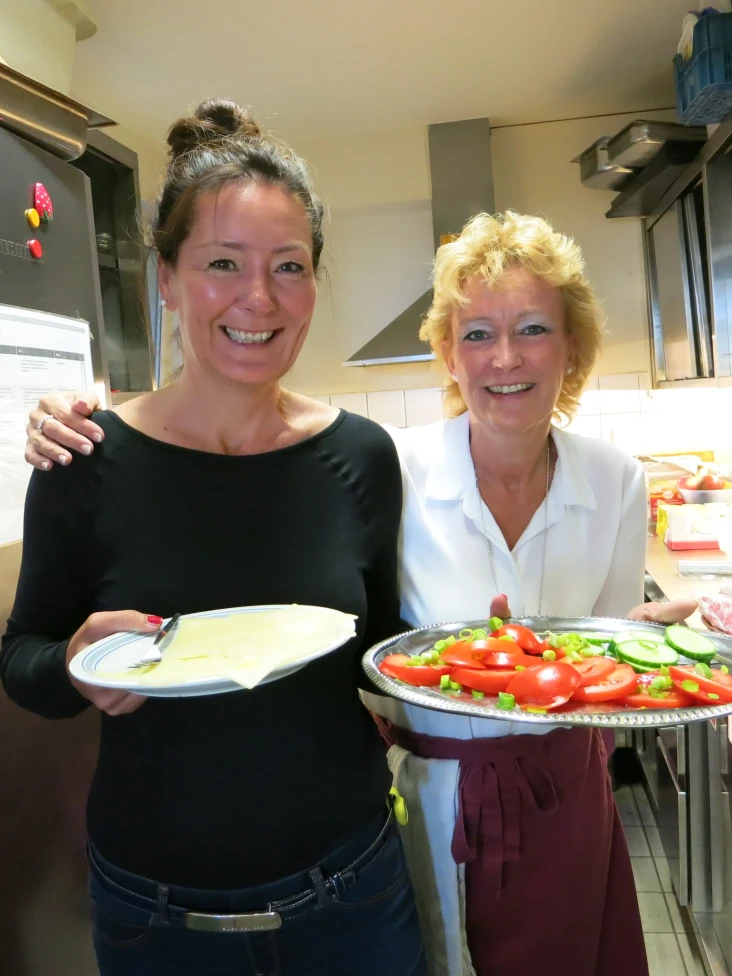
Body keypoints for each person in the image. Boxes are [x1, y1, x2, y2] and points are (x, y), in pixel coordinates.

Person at [23, 206, 697, 974]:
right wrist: (80, 418)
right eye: (477, 333)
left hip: (563, 794)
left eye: (534, 329)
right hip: (428, 796)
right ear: (449, 353)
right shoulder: (388, 467)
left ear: (571, 343)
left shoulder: (616, 480)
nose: (505, 357)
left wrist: (667, 649)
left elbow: (610, 656)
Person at [0, 98, 427, 976]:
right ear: (166, 277)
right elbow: (22, 659)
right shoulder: (84, 457)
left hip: (352, 892)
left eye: (289, 266)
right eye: (222, 263)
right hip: (157, 913)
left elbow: (376, 647)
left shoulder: (361, 456)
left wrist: (472, 660)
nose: (258, 298)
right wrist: (74, 664)